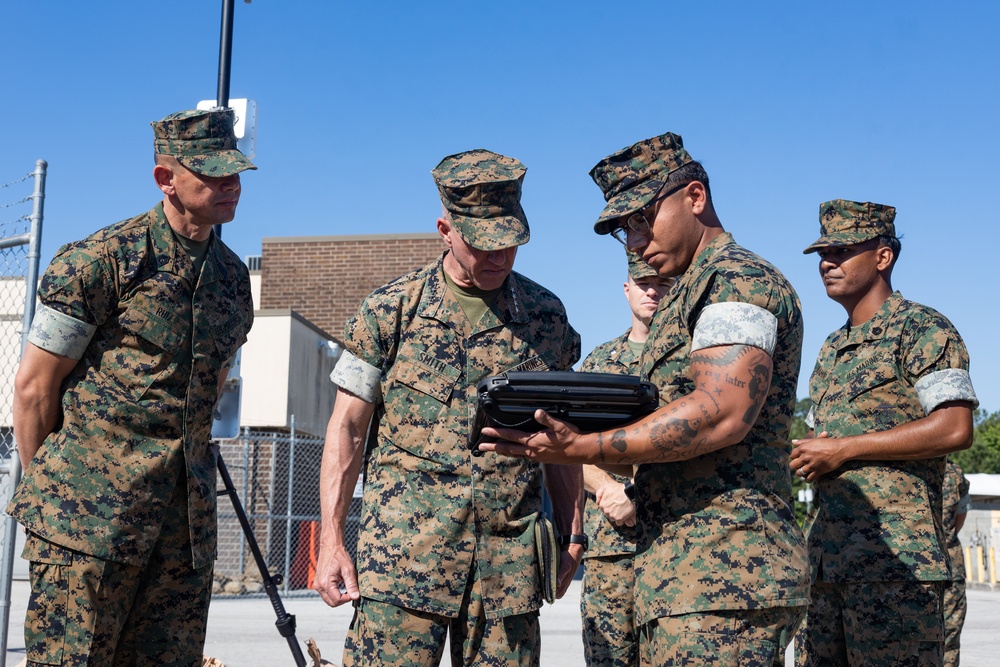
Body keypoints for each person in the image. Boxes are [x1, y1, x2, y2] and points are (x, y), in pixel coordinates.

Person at [481, 132, 810, 666]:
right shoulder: (687, 293)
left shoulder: (736, 280)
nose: (634, 241)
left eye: (642, 218)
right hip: (680, 576)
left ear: (695, 198)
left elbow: (720, 412)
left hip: (728, 574)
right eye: (624, 229)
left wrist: (584, 446)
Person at [313, 149, 584, 667]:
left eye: (510, 243)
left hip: (508, 573)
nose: (499, 257)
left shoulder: (546, 319)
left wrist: (573, 533)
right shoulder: (390, 310)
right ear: (445, 230)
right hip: (404, 568)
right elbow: (346, 429)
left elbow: (561, 439)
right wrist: (331, 541)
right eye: (483, 244)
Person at [6, 108, 255, 665]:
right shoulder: (101, 261)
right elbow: (34, 389)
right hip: (87, 526)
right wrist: (62, 495)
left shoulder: (233, 281)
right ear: (166, 179)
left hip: (181, 535)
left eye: (235, 173)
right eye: (212, 174)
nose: (230, 185)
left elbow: (212, 387)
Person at [791, 199, 978, 666]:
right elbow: (823, 445)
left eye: (841, 251)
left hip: (895, 567)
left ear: (882, 256)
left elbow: (956, 428)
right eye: (822, 254)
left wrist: (845, 449)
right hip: (826, 567)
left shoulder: (922, 329)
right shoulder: (833, 348)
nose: (827, 263)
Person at [579, 248, 672, 667]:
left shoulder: (691, 360)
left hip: (677, 547)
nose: (652, 291)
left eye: (662, 283)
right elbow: (567, 447)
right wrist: (609, 488)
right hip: (611, 551)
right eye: (643, 283)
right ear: (626, 289)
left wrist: (638, 490)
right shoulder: (600, 364)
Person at [942, 460, 971, 667]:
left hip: (906, 563)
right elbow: (959, 518)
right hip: (949, 559)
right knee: (949, 637)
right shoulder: (954, 472)